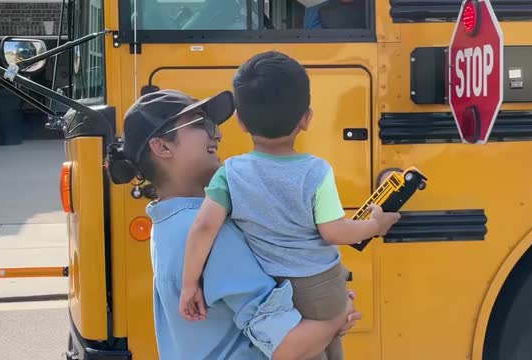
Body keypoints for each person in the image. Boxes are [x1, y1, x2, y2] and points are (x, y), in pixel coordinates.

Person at [179, 51, 400, 359]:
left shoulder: (229, 174)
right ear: (306, 119)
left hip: (269, 288)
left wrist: (190, 285)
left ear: (240, 122)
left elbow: (203, 227)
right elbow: (334, 232)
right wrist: (375, 224)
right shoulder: (316, 171)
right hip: (320, 286)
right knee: (328, 342)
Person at [118, 88, 362, 359]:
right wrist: (337, 314)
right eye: (201, 123)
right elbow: (287, 347)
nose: (217, 134)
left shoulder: (167, 222)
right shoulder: (208, 234)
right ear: (162, 147)